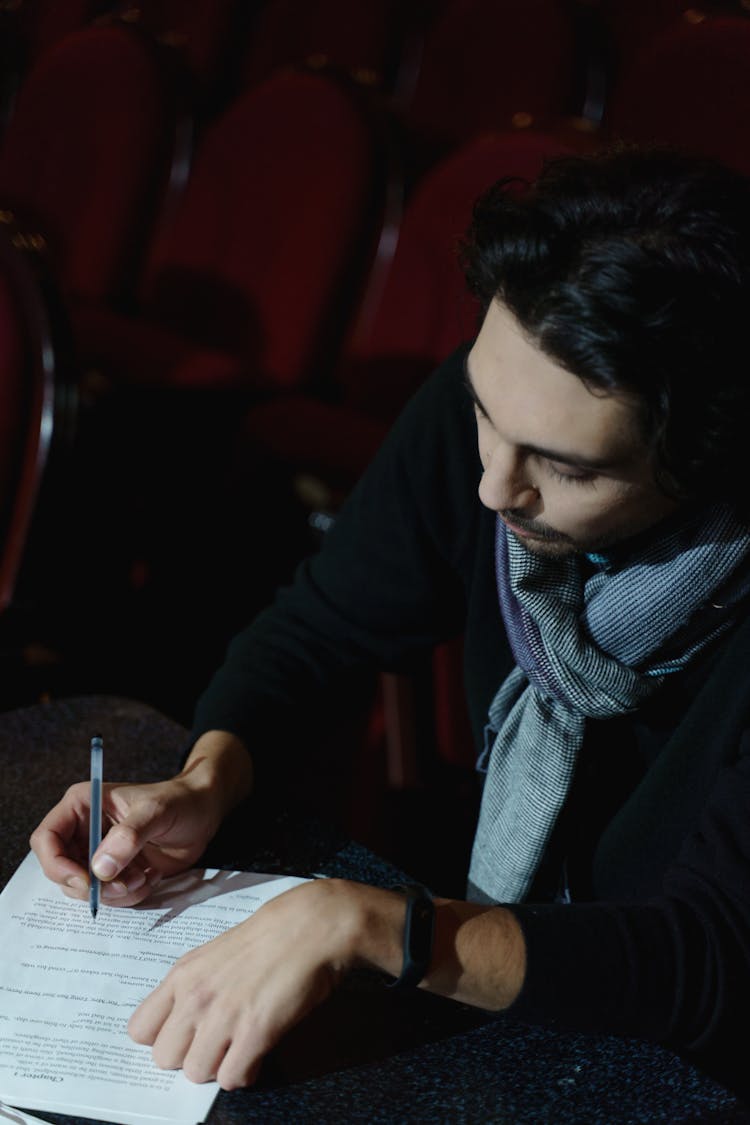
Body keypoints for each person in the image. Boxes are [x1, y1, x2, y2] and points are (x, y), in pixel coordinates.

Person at [30, 146, 750, 1095]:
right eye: (487, 411)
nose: (495, 484)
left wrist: (375, 924)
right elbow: (321, 629)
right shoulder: (489, 419)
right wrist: (206, 777)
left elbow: (710, 961)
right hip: (533, 1022)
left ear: (705, 456)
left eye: (567, 468)